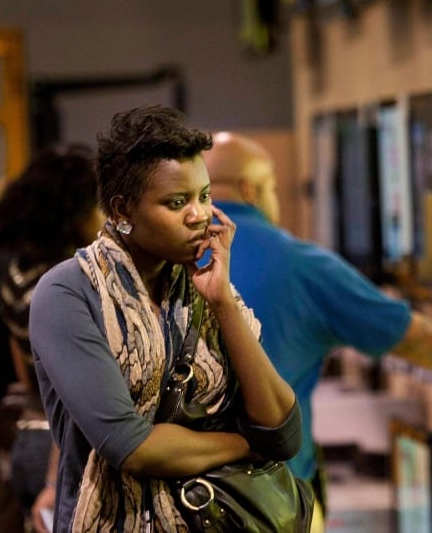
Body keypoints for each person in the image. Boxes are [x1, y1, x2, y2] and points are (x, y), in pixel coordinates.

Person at [201, 132, 432, 519]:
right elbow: (405, 335)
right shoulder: (301, 265)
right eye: (273, 188)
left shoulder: (168, 257)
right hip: (271, 504)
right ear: (250, 189)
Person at [29, 106, 302, 532]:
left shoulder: (202, 287)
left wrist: (223, 305)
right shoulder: (68, 293)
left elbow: (282, 433)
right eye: (177, 202)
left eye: (205, 196)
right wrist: (245, 446)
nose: (199, 215)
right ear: (121, 211)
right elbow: (131, 447)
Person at [0, 147, 105, 532]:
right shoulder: (65, 283)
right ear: (74, 212)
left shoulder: (11, 272)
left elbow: (24, 371)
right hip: (62, 446)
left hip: (19, 434)